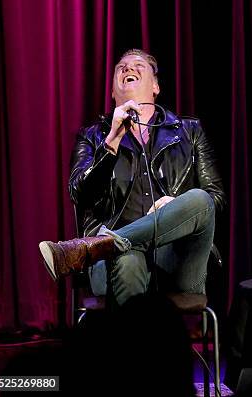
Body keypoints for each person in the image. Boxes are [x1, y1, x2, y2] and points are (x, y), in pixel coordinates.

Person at [38, 49, 225, 307]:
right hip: (115, 264)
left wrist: (175, 203)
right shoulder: (92, 137)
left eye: (138, 65)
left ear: (156, 86)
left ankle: (98, 246)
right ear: (113, 92)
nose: (128, 69)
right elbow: (79, 195)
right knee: (129, 258)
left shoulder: (189, 132)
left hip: (178, 260)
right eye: (120, 67)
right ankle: (114, 248)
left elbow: (215, 199)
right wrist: (111, 140)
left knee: (200, 200)